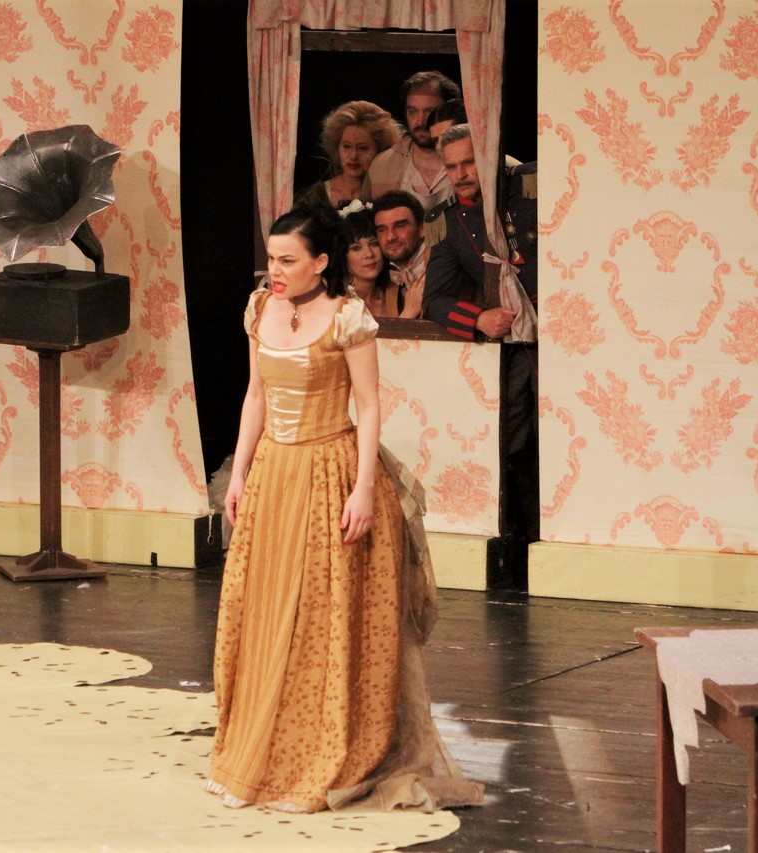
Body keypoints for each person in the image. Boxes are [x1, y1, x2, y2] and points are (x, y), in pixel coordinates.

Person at [205, 204, 484, 814]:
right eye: (272, 258)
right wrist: (239, 470)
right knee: (264, 609)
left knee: (319, 618)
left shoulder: (348, 316)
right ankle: (255, 751)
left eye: (288, 260)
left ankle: (316, 755)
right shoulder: (260, 307)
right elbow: (255, 395)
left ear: (321, 262)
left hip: (328, 469)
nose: (276, 270)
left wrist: (361, 489)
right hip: (274, 472)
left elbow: (369, 405)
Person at [422, 123, 539, 586]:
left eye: (469, 162)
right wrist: (478, 318)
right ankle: (522, 549)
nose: (462, 175)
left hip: (569, 338)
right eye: (452, 167)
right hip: (513, 348)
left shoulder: (529, 185)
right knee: (516, 446)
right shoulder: (446, 220)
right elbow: (434, 299)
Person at [367, 71, 462, 211]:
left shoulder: (473, 162)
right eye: (413, 111)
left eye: (429, 111)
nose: (420, 121)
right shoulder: (383, 165)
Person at [296, 101, 403, 212]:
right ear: (337, 147)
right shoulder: (313, 199)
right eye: (347, 146)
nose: (353, 156)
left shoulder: (388, 197)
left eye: (363, 148)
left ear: (380, 151)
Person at [337, 200, 416, 318]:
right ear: (342, 255)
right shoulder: (333, 300)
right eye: (356, 248)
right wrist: (409, 313)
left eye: (374, 244)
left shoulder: (395, 294)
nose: (369, 254)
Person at [372, 190, 430, 318]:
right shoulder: (387, 280)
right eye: (382, 229)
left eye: (400, 226)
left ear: (422, 229)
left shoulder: (441, 263)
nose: (390, 237)